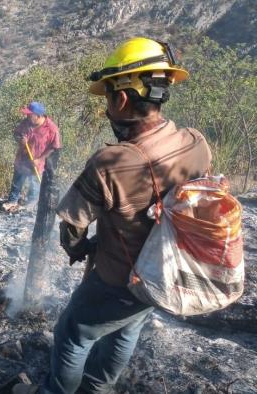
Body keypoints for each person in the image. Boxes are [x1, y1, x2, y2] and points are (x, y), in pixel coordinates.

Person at [40, 37, 212, 393]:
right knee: (127, 328)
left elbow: (72, 225)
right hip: (159, 275)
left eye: (107, 100)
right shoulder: (196, 143)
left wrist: (77, 249)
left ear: (121, 98)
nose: (107, 110)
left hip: (116, 278)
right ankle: (99, 389)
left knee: (73, 334)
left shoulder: (112, 162)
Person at [2, 101, 61, 212]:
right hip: (22, 160)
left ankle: (30, 205)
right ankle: (12, 201)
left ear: (38, 116)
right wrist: (20, 140)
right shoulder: (26, 123)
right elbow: (16, 133)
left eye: (30, 115)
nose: (27, 116)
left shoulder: (52, 129)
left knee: (34, 184)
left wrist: (40, 159)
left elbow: (54, 147)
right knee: (17, 181)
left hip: (37, 162)